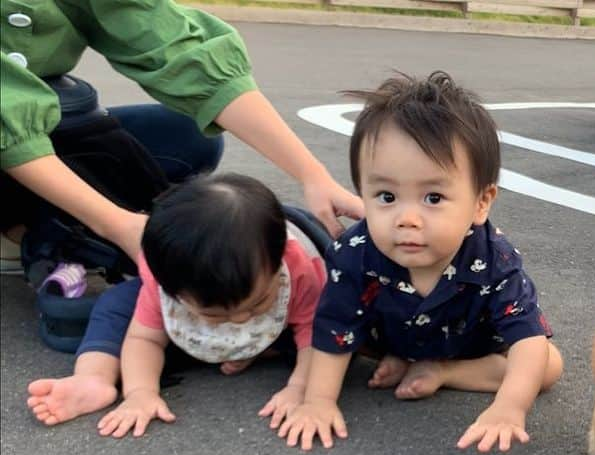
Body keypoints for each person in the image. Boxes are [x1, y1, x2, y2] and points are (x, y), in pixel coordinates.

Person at [276, 71, 564, 453]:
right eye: (386, 196)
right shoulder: (355, 251)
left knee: (548, 365)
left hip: (471, 349)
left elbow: (526, 337)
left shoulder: (495, 258)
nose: (406, 218)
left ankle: (443, 372)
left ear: (481, 202)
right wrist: (318, 401)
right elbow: (335, 328)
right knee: (343, 340)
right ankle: (402, 361)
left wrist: (510, 407)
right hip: (387, 339)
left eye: (432, 198)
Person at [0, 0, 362, 272]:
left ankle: (47, 219)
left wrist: (313, 175)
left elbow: (176, 48)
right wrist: (119, 226)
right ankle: (28, 232)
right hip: (10, 131)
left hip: (35, 124)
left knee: (187, 138)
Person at [26, 174, 327, 437]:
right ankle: (93, 378)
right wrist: (140, 393)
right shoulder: (165, 282)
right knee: (114, 307)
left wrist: (301, 388)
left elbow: (315, 335)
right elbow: (143, 339)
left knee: (331, 340)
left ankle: (260, 348)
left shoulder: (298, 271)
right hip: (186, 329)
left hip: (281, 328)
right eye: (216, 315)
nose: (240, 320)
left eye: (258, 302)